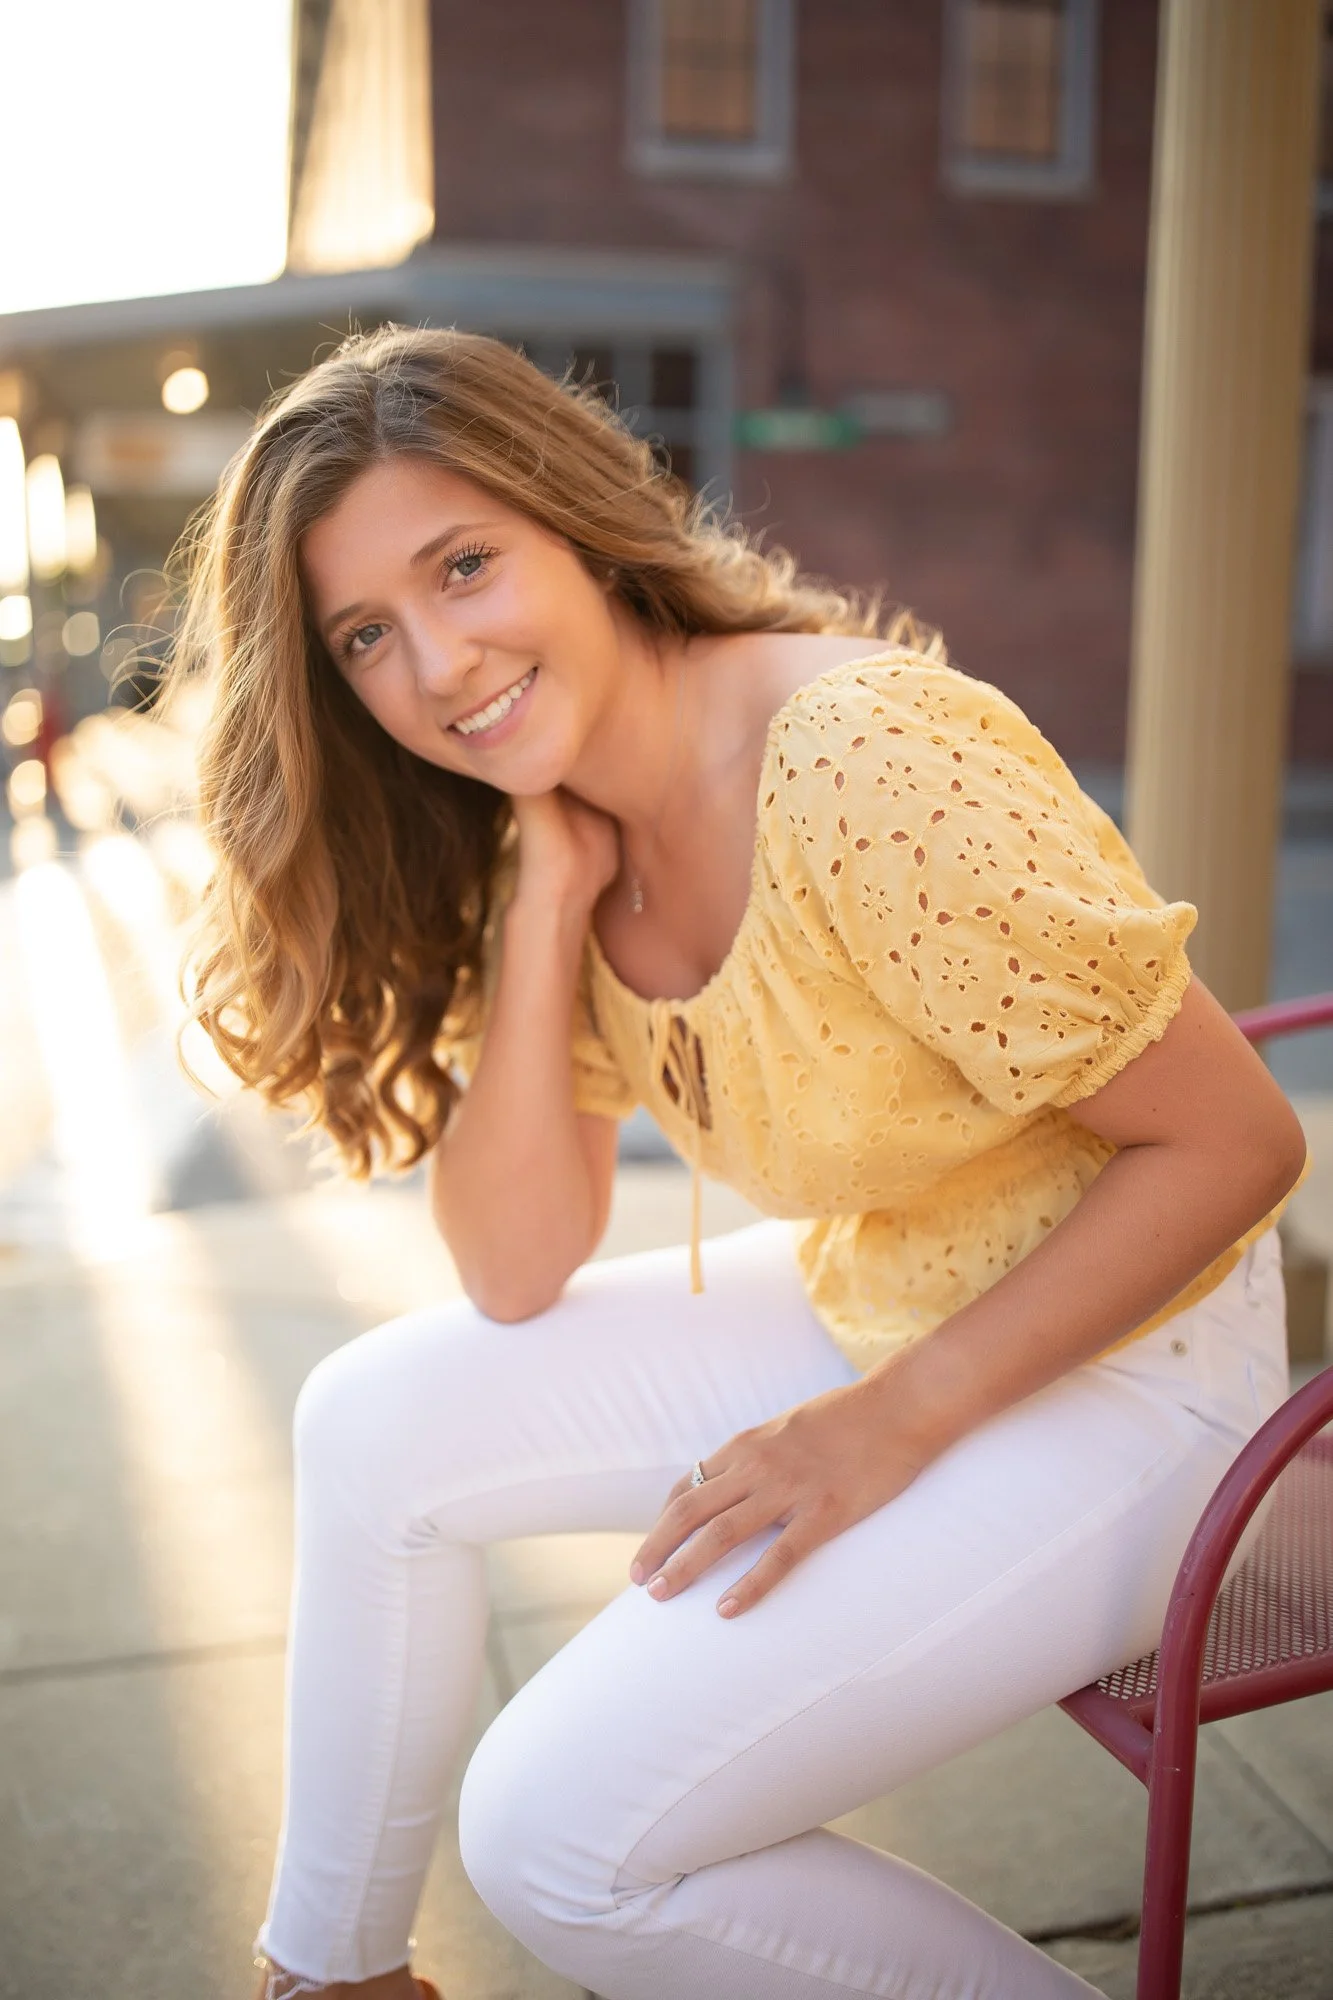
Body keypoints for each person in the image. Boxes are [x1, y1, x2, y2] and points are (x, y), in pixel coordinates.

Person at [169, 324, 1309, 2000]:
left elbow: (1237, 1141)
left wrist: (888, 1425)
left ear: (574, 516)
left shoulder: (864, 765)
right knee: (368, 1422)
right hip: (895, 1289)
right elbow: (512, 1268)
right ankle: (333, 1982)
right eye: (367, 637)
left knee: (556, 1835)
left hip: (1142, 1373)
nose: (439, 664)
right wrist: (548, 904)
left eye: (464, 565)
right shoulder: (565, 813)